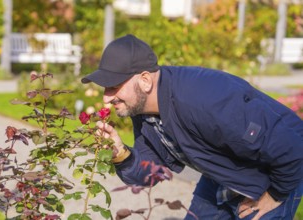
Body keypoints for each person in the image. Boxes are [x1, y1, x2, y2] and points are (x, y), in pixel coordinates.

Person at [81, 34, 303, 220]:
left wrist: (275, 194)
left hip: (273, 172)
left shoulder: (206, 101)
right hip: (220, 171)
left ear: (145, 80)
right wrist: (121, 155)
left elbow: (290, 148)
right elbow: (149, 173)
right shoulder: (145, 111)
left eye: (114, 86)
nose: (106, 99)